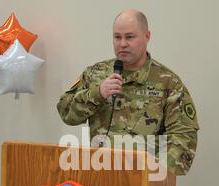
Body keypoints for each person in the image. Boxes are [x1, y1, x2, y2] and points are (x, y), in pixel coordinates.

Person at [57, 9, 199, 175]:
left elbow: (184, 137)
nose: (122, 44)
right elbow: (66, 112)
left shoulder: (168, 82)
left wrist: (156, 173)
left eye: (129, 37)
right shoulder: (96, 74)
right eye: (117, 37)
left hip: (145, 185)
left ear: (147, 37)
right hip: (98, 180)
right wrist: (97, 94)